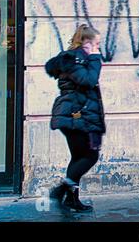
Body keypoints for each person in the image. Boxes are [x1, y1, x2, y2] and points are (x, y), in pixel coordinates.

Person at [45, 24, 106, 212]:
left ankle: (71, 199)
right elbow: (89, 80)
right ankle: (63, 188)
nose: (98, 48)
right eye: (96, 44)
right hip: (74, 116)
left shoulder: (77, 58)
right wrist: (95, 58)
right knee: (90, 155)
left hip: (76, 114)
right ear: (86, 42)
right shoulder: (74, 59)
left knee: (79, 156)